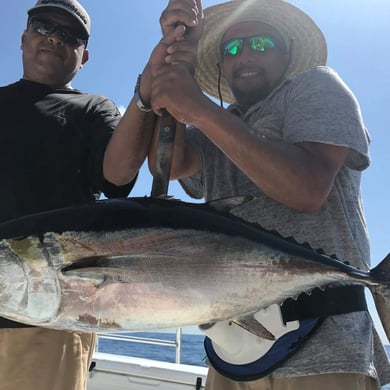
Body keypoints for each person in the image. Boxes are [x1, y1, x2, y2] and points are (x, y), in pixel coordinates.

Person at [109, 0, 390, 389]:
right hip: (232, 353)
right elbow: (169, 165)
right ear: (222, 67)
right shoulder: (221, 127)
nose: (246, 56)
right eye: (233, 49)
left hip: (324, 347)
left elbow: (307, 188)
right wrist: (171, 71)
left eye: (261, 43)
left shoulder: (317, 87)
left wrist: (200, 109)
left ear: (287, 53)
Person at [0, 0, 141, 389]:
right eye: (45, 25)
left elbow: (117, 181)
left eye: (71, 35)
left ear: (85, 55)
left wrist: (143, 100)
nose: (55, 38)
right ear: (24, 36)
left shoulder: (93, 109)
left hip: (48, 316)